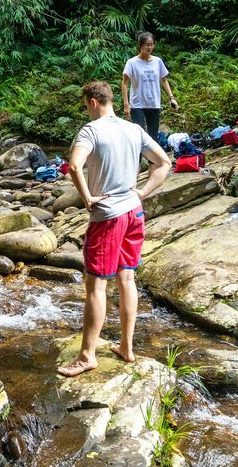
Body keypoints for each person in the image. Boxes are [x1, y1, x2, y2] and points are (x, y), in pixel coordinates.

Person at [57, 80, 170, 379]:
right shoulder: (133, 129)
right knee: (127, 279)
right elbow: (163, 163)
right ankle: (127, 347)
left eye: (85, 104)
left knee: (96, 286)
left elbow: (74, 165)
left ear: (93, 102)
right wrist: (143, 192)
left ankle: (86, 356)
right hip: (134, 212)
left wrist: (87, 198)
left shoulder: (90, 131)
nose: (86, 109)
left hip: (107, 217)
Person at [121, 31, 179, 141]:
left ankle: (151, 159)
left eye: (151, 44)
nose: (149, 47)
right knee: (139, 137)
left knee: (153, 138)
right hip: (137, 105)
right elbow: (124, 83)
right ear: (140, 45)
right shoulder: (132, 62)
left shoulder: (157, 61)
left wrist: (172, 98)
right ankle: (137, 158)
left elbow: (164, 80)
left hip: (153, 103)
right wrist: (126, 104)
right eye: (147, 44)